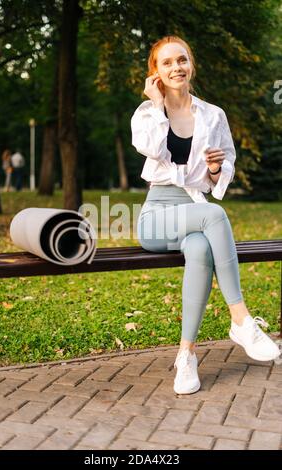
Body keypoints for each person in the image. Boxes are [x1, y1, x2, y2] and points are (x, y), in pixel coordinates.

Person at [131, 35, 280, 395]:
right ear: (156, 73)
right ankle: (241, 318)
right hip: (157, 216)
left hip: (194, 208)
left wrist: (215, 170)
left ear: (191, 64)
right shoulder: (145, 113)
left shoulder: (213, 115)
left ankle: (186, 355)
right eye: (166, 63)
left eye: (181, 60)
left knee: (199, 248)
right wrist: (156, 106)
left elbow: (223, 167)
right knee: (213, 216)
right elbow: (149, 147)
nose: (176, 67)